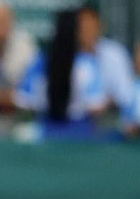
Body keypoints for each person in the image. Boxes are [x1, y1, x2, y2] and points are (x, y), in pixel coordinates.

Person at [14, 8, 108, 139]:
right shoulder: (86, 64)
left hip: (48, 132)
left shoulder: (40, 61)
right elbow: (96, 105)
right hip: (79, 135)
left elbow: (24, 101)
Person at [77, 3, 135, 116]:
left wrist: (107, 103)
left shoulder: (115, 53)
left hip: (109, 118)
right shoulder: (65, 55)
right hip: (73, 120)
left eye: (90, 26)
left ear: (100, 26)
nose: (86, 32)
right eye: (82, 27)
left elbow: (126, 93)